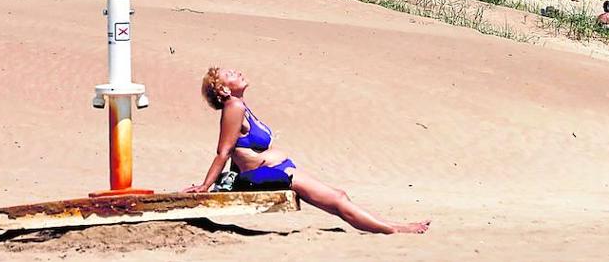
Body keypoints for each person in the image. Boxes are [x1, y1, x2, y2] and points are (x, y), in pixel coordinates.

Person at [183, 67, 430, 235]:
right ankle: (396, 230)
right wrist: (207, 186)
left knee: (339, 196)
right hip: (270, 172)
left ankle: (392, 226)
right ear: (223, 90)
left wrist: (231, 177)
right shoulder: (233, 106)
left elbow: (238, 152)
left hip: (276, 168)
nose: (237, 72)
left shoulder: (241, 107)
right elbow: (224, 151)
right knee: (338, 199)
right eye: (229, 74)